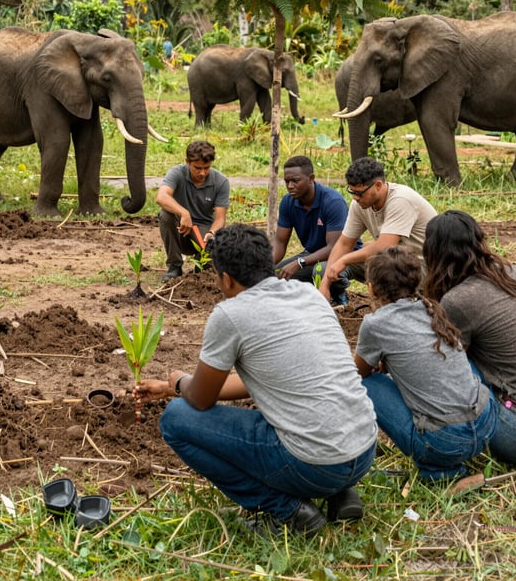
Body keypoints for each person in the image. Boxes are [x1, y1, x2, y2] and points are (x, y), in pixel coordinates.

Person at [133, 223, 377, 536]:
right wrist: (171, 388)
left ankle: (287, 509)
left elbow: (200, 398)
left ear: (226, 278)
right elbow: (271, 378)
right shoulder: (310, 295)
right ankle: (339, 493)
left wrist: (178, 381)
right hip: (362, 448)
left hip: (317, 463)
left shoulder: (231, 314)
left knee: (176, 420)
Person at [355, 246, 496, 482]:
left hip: (444, 442)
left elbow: (359, 372)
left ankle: (441, 472)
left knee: (366, 384)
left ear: (371, 288)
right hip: (485, 424)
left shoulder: (375, 324)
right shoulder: (432, 307)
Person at [423, 210, 516, 465]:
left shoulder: (458, 300)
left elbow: (445, 367)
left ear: (434, 252)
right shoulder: (511, 272)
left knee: (448, 364)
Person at [319, 157, 437, 302]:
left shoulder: (400, 200)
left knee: (385, 273)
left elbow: (384, 246)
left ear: (378, 185)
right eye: (352, 192)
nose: (355, 198)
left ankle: (401, 307)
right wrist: (325, 283)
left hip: (422, 267)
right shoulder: (360, 204)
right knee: (326, 268)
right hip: (392, 261)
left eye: (360, 193)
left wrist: (344, 260)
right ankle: (339, 302)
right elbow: (344, 244)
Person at [273, 155, 360, 306]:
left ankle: (338, 295)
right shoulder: (288, 202)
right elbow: (280, 243)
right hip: (312, 255)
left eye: (295, 180)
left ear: (311, 178)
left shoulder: (332, 202)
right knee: (276, 274)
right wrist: (263, 266)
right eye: (287, 181)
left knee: (321, 270)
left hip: (344, 254)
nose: (290, 186)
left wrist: (300, 262)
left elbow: (334, 247)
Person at [156, 140, 230, 280]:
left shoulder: (221, 182)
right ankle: (174, 266)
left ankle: (201, 263)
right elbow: (161, 197)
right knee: (165, 215)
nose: (202, 173)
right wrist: (184, 213)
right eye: (197, 168)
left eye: (206, 168)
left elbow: (220, 218)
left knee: (208, 266)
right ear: (187, 162)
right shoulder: (176, 173)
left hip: (203, 231)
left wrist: (211, 233)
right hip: (181, 229)